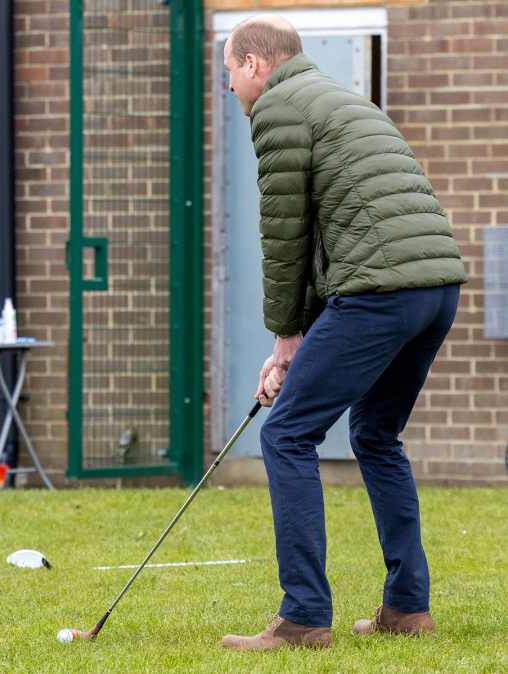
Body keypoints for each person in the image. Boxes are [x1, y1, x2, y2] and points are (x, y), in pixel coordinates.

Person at [219, 16, 467, 651]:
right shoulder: (344, 99)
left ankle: (302, 616)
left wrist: (283, 339)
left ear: (253, 65)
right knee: (375, 434)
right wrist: (298, 336)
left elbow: (284, 236)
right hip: (436, 288)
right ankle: (408, 608)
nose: (229, 87)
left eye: (229, 72)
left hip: (379, 293)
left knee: (287, 433)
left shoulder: (277, 109)